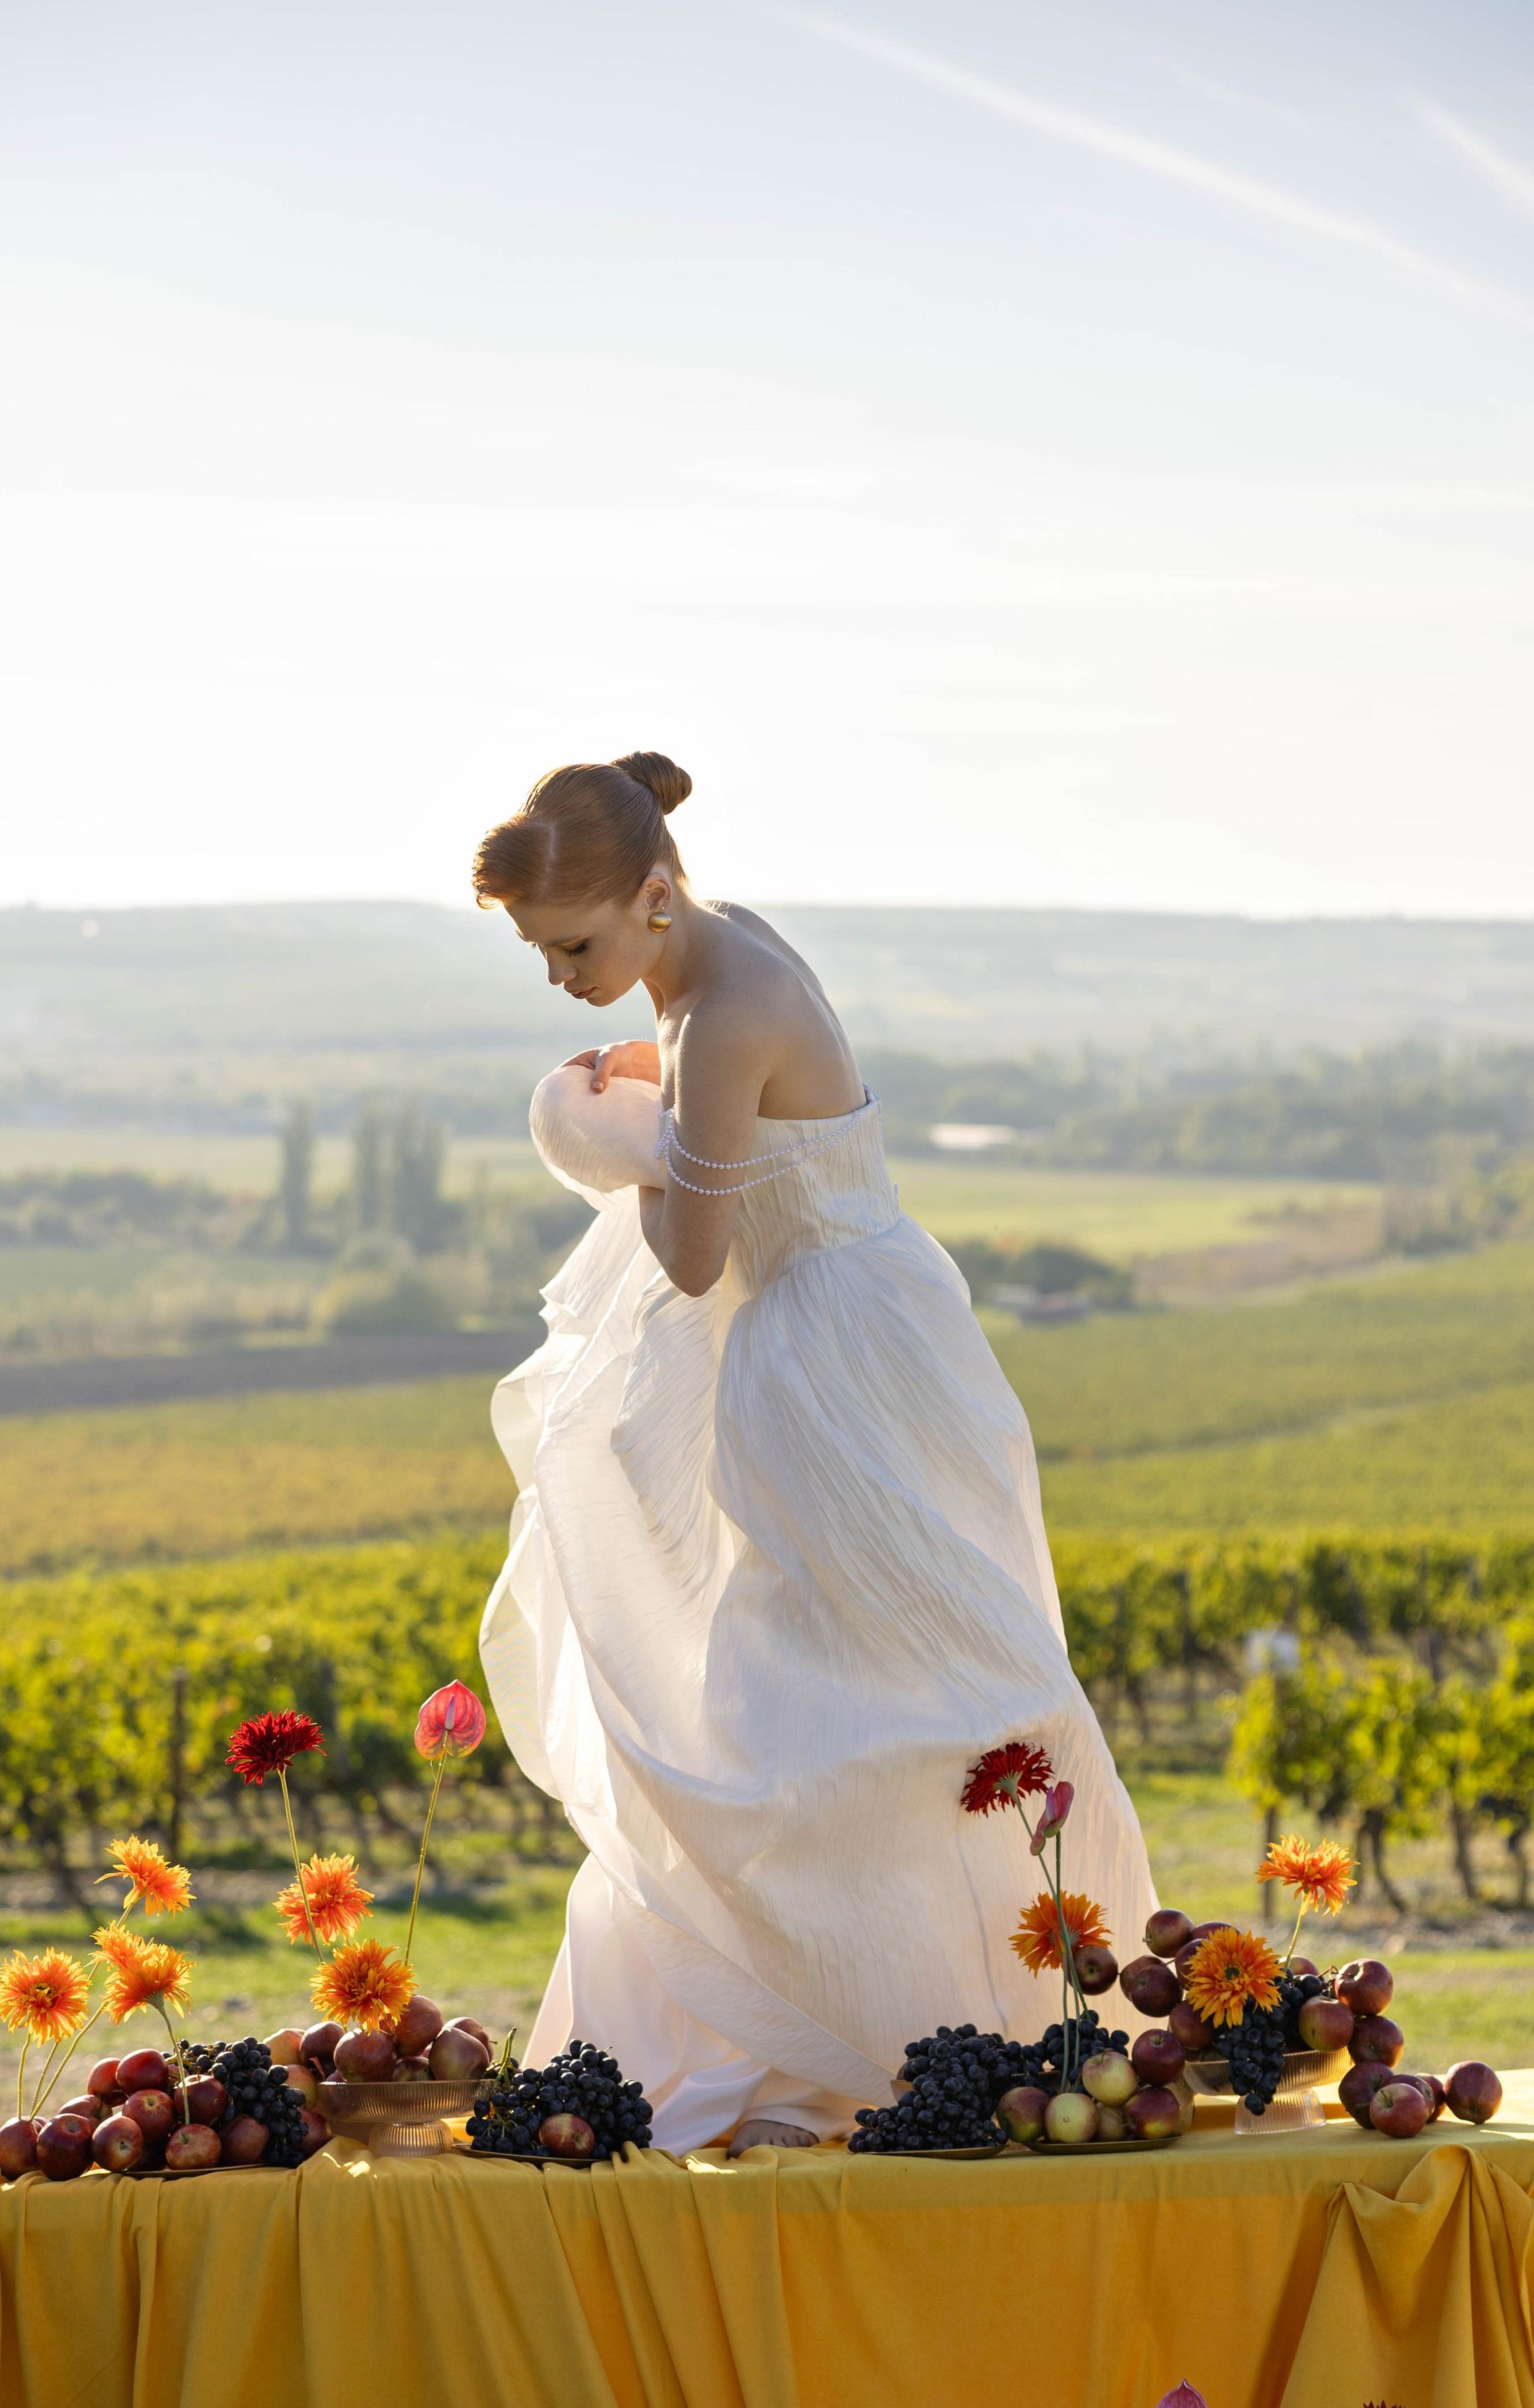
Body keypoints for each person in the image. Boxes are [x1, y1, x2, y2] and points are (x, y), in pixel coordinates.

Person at [474, 751, 1155, 2155]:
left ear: (654, 895)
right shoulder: (707, 955)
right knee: (801, 1705)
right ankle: (828, 2015)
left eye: (575, 946)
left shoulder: (721, 1011)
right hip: (855, 1325)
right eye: (542, 956)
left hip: (827, 1368)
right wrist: (639, 1117)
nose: (560, 981)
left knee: (865, 1704)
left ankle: (925, 2024)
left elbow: (692, 1247)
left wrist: (582, 1133)